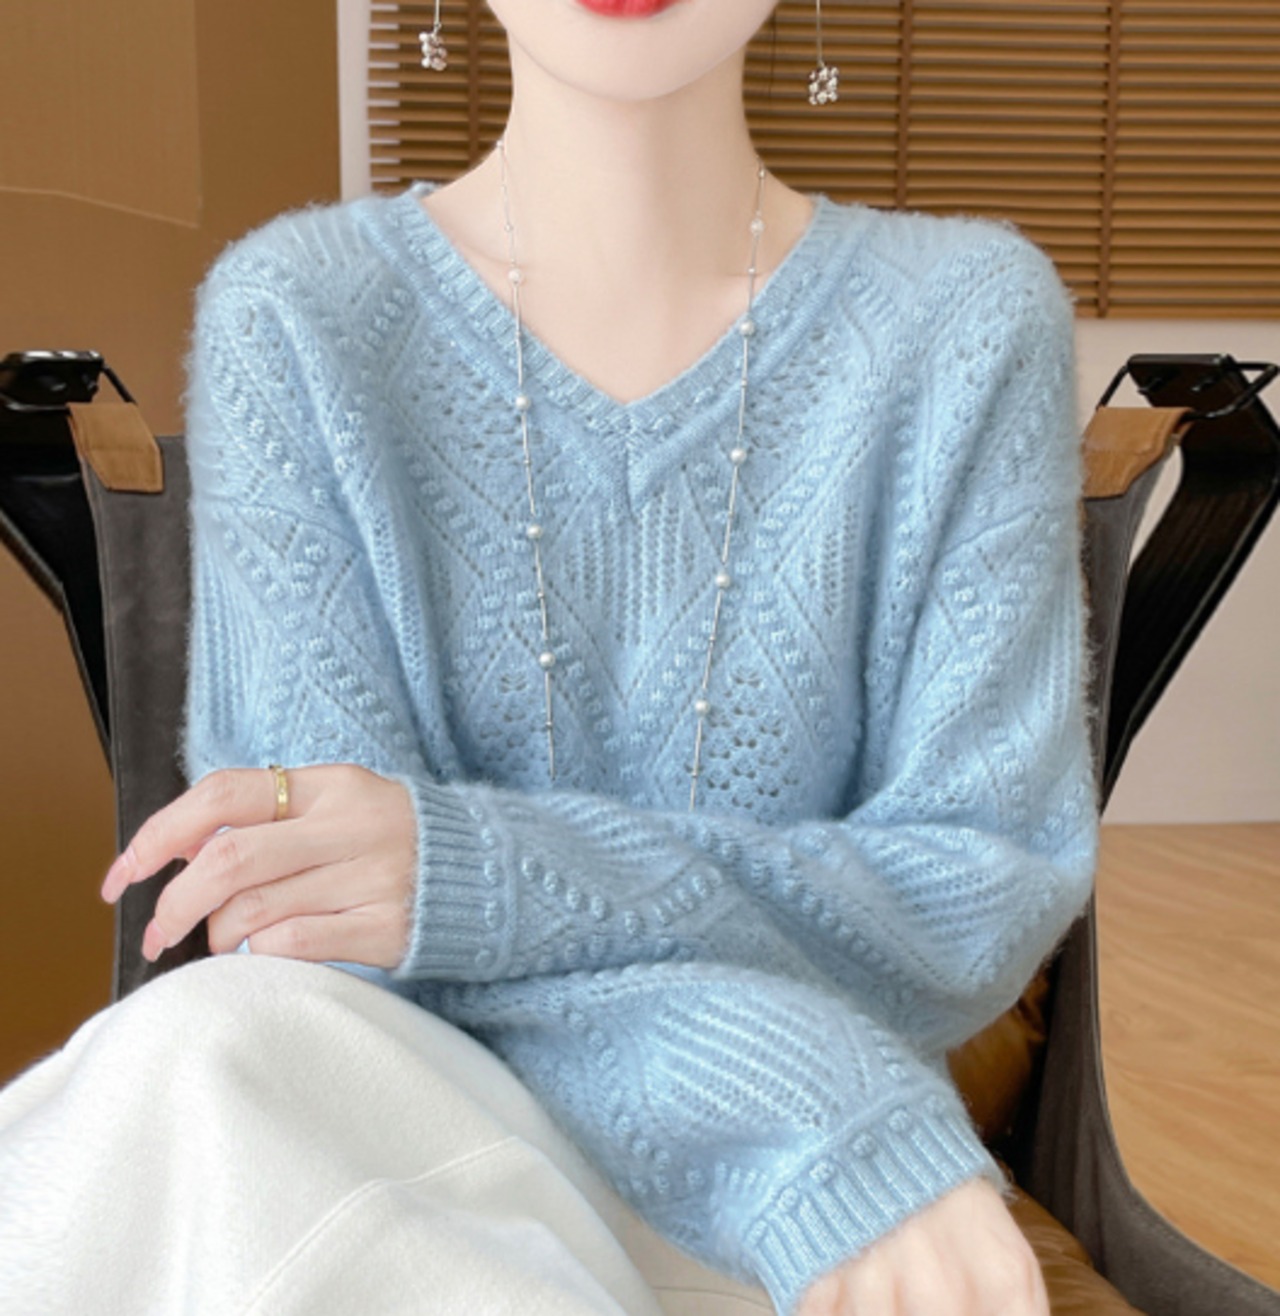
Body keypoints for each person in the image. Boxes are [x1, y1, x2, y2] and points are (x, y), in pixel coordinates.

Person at [0, 1, 1100, 1312]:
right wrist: (804, 1092)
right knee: (203, 1058)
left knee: (186, 1089)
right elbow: (315, 925)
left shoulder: (966, 322)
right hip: (484, 1131)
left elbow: (976, 887)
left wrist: (461, 874)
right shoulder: (295, 313)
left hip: (766, 1217)